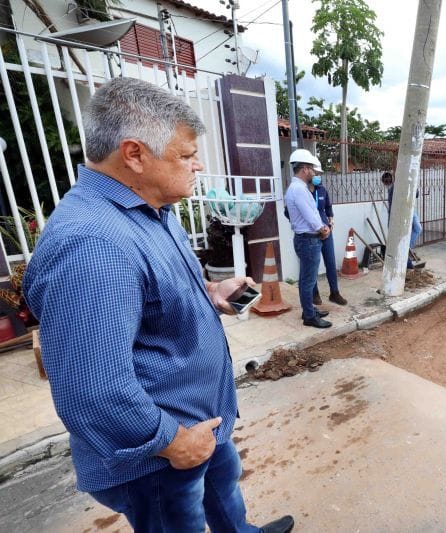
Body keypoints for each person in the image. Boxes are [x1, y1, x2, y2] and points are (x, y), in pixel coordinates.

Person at [22, 77, 293, 533]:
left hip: (198, 419)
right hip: (160, 453)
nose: (198, 164)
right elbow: (93, 387)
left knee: (225, 497)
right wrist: (170, 442)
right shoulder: (93, 244)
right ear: (134, 154)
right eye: (186, 155)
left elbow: (148, 297)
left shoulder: (151, 210)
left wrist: (209, 293)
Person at [285, 149, 333, 329]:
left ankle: (309, 310)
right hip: (309, 239)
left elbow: (312, 212)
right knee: (308, 280)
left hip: (307, 239)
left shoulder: (298, 188)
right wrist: (323, 228)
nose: (314, 173)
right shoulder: (298, 190)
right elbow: (310, 216)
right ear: (304, 169)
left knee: (307, 279)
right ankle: (309, 316)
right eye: (312, 169)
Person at [309, 176, 348, 306]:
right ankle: (315, 294)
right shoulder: (302, 191)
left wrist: (330, 221)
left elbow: (328, 207)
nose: (317, 176)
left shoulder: (322, 190)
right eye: (315, 172)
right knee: (313, 265)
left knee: (330, 262)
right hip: (311, 234)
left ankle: (334, 293)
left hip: (326, 232)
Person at [382, 171, 422, 269]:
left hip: (410, 211)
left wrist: (412, 185)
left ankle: (408, 249)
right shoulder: (393, 189)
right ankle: (406, 260)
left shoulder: (407, 182)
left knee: (418, 228)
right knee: (402, 238)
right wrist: (392, 222)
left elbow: (416, 194)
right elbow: (392, 207)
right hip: (401, 215)